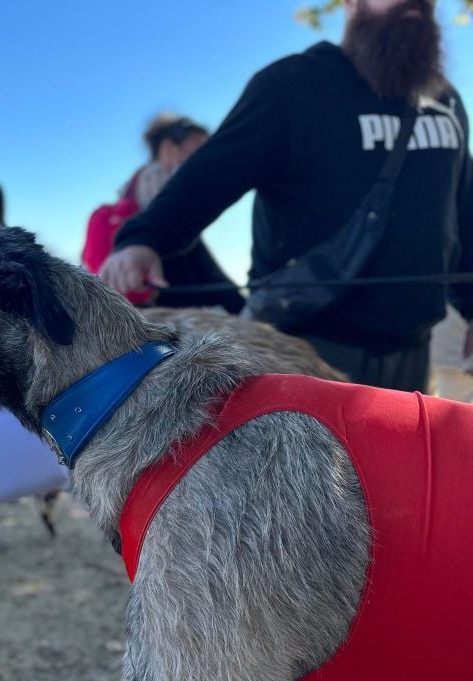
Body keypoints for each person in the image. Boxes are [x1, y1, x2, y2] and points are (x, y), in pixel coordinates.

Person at [100, 0, 472, 392]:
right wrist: (142, 239)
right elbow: (209, 174)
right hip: (302, 351)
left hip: (411, 357)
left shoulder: (445, 101)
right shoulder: (292, 84)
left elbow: (462, 213)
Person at [82, 115, 244, 314]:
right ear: (169, 149)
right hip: (176, 328)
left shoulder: (139, 197)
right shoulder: (167, 203)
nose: (206, 157)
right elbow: (201, 269)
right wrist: (241, 307)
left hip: (136, 329)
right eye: (199, 148)